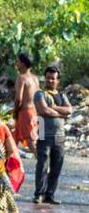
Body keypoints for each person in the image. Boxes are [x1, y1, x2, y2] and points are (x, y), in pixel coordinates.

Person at [33, 64, 71, 205]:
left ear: (57, 80)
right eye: (48, 78)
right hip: (43, 132)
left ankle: (50, 194)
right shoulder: (39, 94)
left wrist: (54, 108)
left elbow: (70, 110)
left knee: (57, 165)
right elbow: (43, 111)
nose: (50, 81)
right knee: (42, 164)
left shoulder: (62, 95)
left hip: (60, 135)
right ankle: (39, 194)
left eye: (53, 79)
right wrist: (61, 113)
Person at [12, 53, 38, 154]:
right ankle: (8, 166)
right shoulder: (35, 78)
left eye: (18, 61)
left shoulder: (21, 78)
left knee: (30, 142)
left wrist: (15, 111)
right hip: (34, 111)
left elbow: (19, 98)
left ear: (22, 64)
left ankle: (44, 166)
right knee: (14, 139)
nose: (16, 63)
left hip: (25, 112)